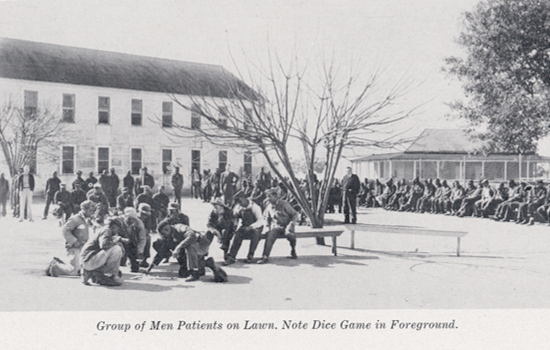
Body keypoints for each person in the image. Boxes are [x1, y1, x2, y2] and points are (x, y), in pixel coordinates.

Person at [147, 220, 228, 282]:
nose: (163, 236)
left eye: (163, 233)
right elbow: (162, 252)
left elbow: (192, 236)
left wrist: (178, 247)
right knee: (183, 273)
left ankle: (194, 273)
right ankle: (206, 263)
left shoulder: (180, 227)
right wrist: (150, 268)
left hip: (201, 246)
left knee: (189, 245)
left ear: (167, 229)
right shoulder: (168, 237)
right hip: (194, 250)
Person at [46, 200, 96, 277]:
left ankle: (67, 264)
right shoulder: (75, 219)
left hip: (84, 248)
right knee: (74, 271)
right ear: (84, 209)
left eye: (93, 210)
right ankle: (55, 266)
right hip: (74, 248)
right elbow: (65, 230)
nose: (92, 212)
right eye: (90, 210)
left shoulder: (88, 219)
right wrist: (74, 241)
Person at [257, 188, 299, 264]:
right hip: (277, 226)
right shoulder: (269, 206)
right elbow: (266, 217)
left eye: (270, 196)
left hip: (287, 225)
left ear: (275, 196)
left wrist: (291, 224)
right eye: (267, 196)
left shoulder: (284, 204)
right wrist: (267, 226)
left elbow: (295, 214)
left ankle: (293, 251)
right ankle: (265, 256)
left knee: (290, 235)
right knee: (270, 235)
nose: (268, 198)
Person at [80, 218, 125, 286]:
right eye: (118, 228)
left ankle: (95, 273)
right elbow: (104, 245)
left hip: (88, 259)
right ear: (114, 226)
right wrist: (116, 241)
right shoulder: (106, 230)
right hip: (88, 260)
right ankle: (108, 275)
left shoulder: (106, 230)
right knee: (116, 249)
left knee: (118, 247)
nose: (118, 231)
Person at [224, 191, 264, 264]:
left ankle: (250, 255)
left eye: (240, 201)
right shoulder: (238, 207)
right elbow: (235, 215)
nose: (239, 203)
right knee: (238, 234)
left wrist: (251, 227)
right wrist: (235, 224)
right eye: (238, 201)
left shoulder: (255, 207)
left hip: (256, 226)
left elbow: (260, 221)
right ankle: (232, 257)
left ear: (245, 198)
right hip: (245, 226)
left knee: (256, 234)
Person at [119, 207, 148, 272]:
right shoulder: (117, 221)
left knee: (135, 269)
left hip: (131, 244)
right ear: (125, 216)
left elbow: (142, 238)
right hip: (119, 243)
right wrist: (121, 239)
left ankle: (132, 262)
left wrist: (140, 251)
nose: (131, 221)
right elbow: (108, 234)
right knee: (120, 262)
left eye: (133, 219)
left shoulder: (139, 223)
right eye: (129, 219)